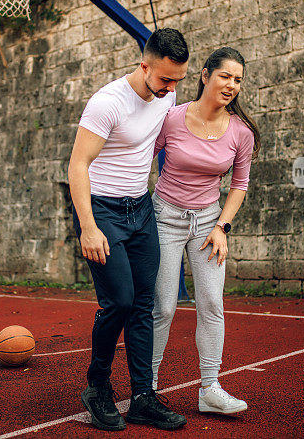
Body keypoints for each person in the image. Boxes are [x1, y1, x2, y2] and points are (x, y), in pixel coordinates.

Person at [68, 29, 190, 431]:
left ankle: (142, 397)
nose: (171, 88)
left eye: (177, 80)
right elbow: (77, 167)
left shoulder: (166, 94)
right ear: (144, 67)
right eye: (164, 79)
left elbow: (153, 144)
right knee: (119, 301)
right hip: (102, 211)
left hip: (141, 210)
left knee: (143, 304)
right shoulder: (107, 103)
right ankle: (97, 386)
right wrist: (88, 226)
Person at [151, 46, 261, 414]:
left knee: (212, 304)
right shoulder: (171, 118)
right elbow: (143, 158)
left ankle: (209, 390)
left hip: (208, 222)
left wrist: (221, 227)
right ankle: (146, 388)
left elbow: (240, 185)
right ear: (205, 75)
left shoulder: (241, 132)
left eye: (238, 80)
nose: (231, 85)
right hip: (164, 216)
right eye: (225, 76)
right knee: (163, 307)